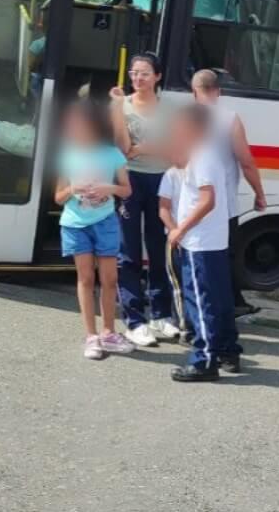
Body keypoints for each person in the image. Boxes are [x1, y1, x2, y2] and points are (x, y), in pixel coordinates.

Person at [159, 104, 241, 382]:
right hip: (212, 240)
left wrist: (180, 229)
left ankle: (204, 360)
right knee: (219, 299)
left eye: (181, 126)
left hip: (199, 242)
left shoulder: (202, 156)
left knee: (200, 301)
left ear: (194, 128)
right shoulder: (204, 154)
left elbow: (207, 200)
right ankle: (228, 350)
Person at [52, 100, 136, 361]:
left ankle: (109, 332)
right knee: (86, 279)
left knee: (110, 279)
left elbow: (126, 190)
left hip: (106, 221)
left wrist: (108, 189)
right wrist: (73, 189)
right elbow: (58, 197)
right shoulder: (67, 155)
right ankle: (91, 336)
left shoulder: (112, 154)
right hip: (75, 223)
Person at [110, 53, 183, 348]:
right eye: (134, 73)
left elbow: (175, 151)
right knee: (127, 251)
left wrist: (142, 149)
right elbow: (122, 148)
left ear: (158, 77)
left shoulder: (170, 110)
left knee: (158, 247)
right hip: (129, 180)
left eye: (144, 73)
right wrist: (116, 109)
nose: (137, 79)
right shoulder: (121, 106)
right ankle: (134, 320)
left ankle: (162, 314)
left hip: (161, 180)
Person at [189, 69, 267, 316]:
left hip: (191, 203)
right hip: (222, 204)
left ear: (194, 92)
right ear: (218, 91)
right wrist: (259, 193)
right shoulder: (229, 118)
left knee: (192, 256)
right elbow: (246, 162)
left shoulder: (183, 118)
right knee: (224, 255)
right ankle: (226, 307)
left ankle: (195, 309)